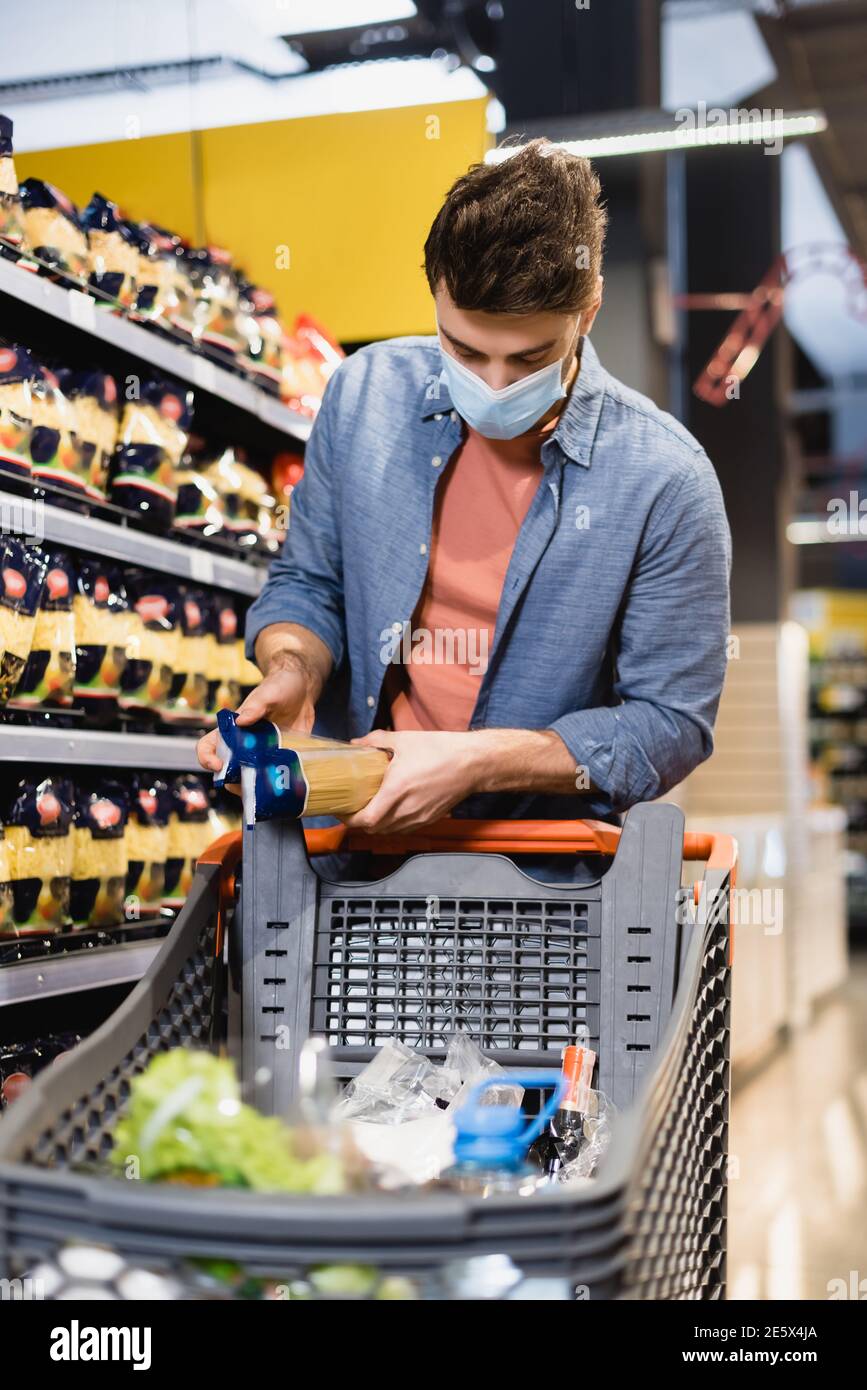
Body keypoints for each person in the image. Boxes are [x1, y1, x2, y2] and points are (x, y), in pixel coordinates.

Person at [198, 139, 730, 866]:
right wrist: (294, 668)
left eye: (530, 358)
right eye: (465, 350)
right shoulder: (363, 399)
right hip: (351, 861)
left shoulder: (665, 481)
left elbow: (669, 724)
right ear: (436, 296)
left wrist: (478, 760)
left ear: (589, 310)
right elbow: (308, 583)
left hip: (542, 885)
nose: (495, 384)